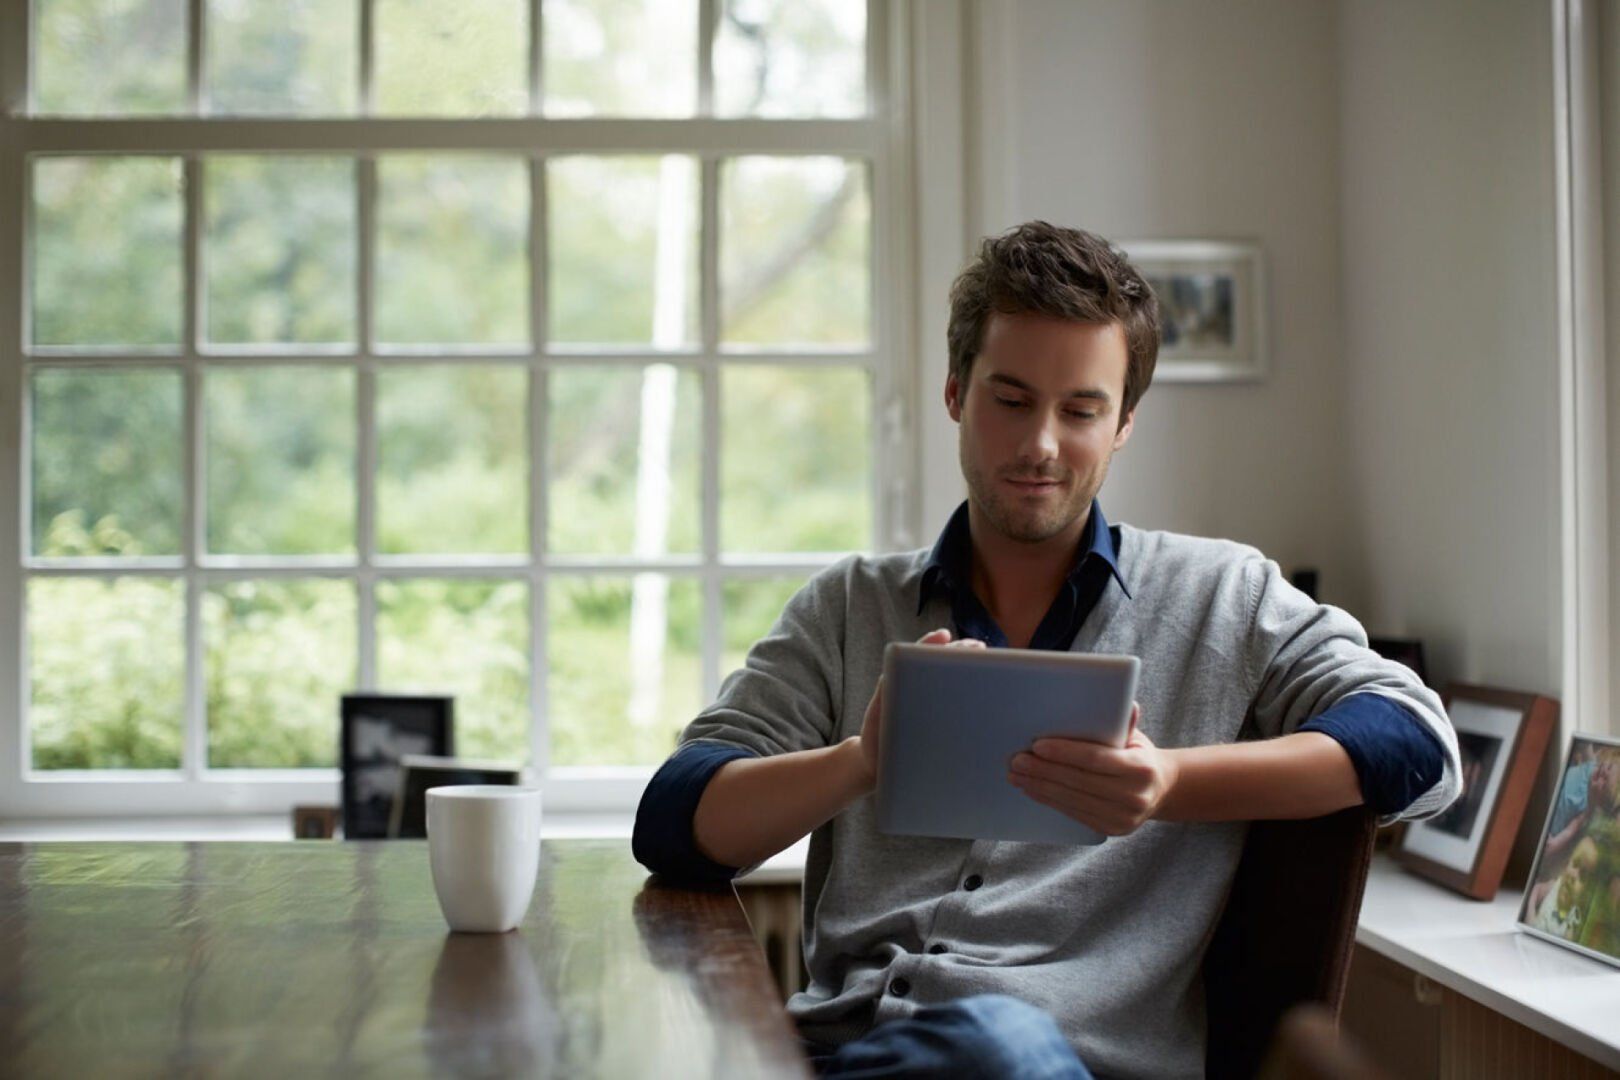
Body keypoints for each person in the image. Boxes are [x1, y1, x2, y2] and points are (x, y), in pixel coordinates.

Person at [633, 222, 1461, 1079]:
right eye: (1012, 399)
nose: (1040, 446)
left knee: (997, 1046)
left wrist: (1170, 783)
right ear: (956, 392)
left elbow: (1417, 741)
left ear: (1125, 423)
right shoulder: (850, 606)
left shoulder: (1225, 596)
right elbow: (672, 821)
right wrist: (861, 761)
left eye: (1081, 411)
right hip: (849, 1057)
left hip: (1061, 1063)